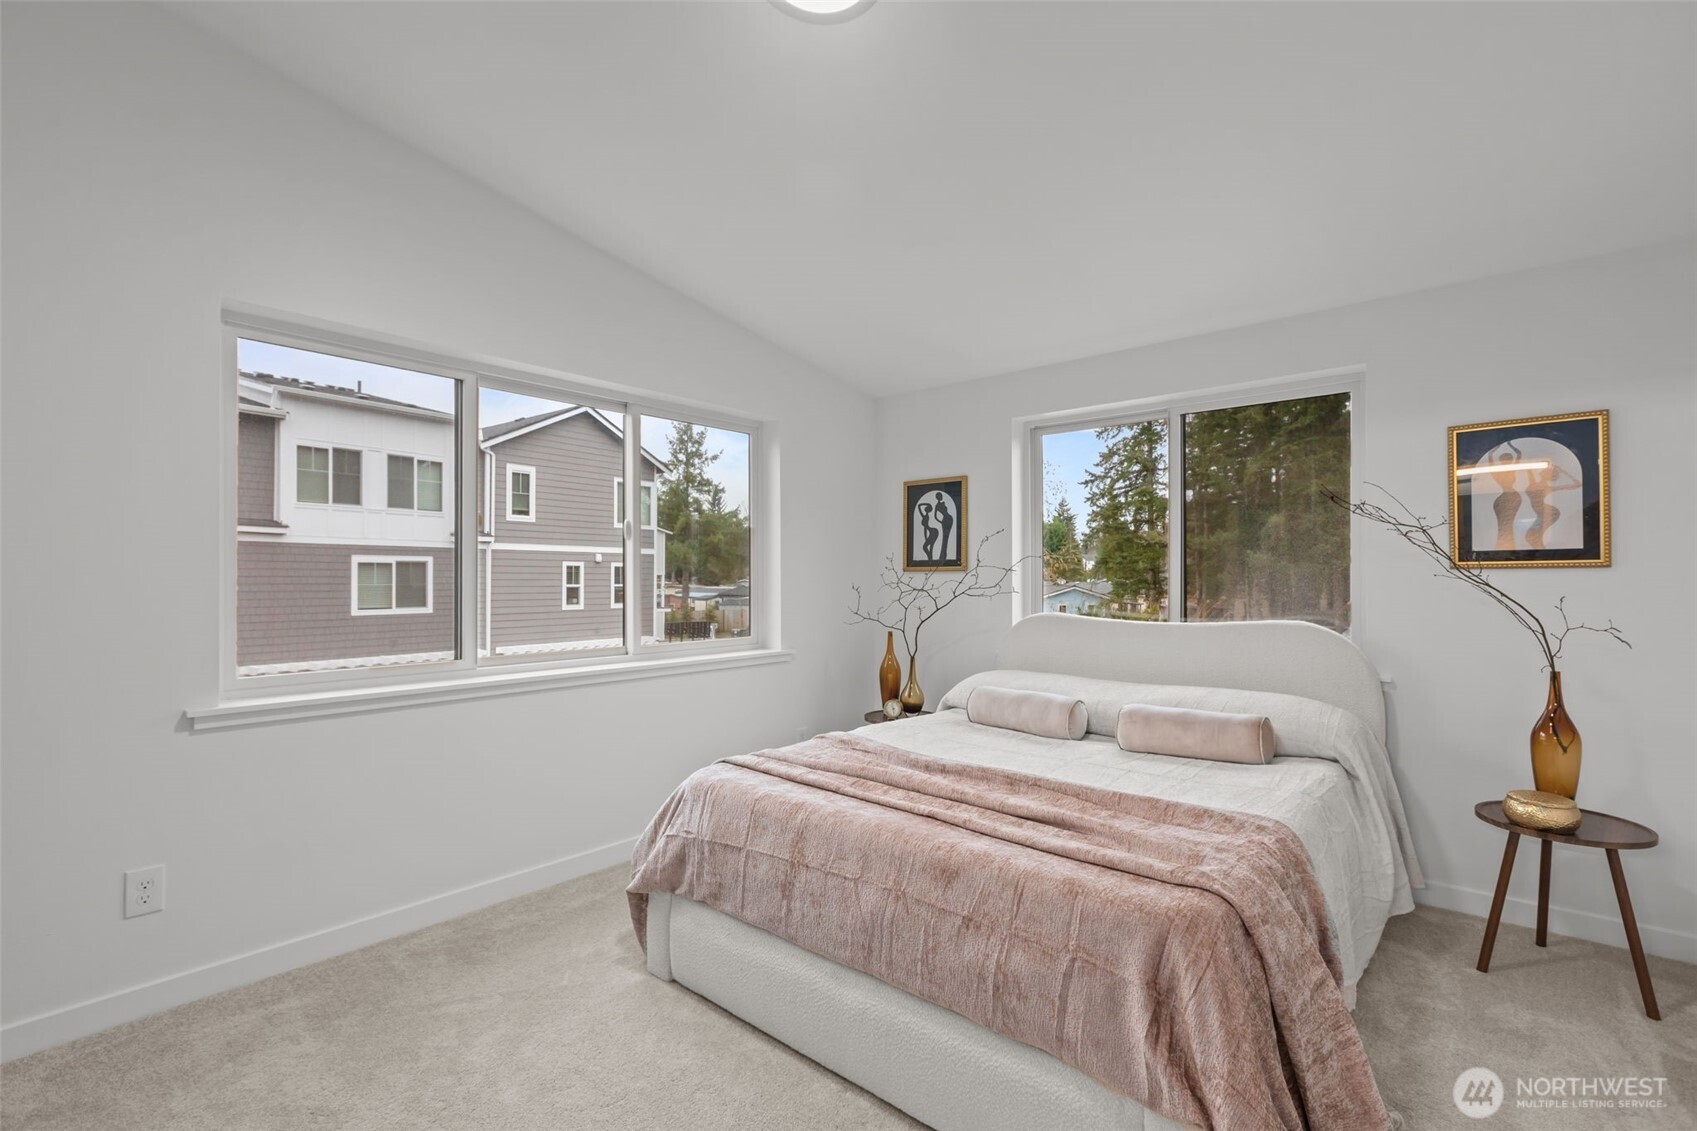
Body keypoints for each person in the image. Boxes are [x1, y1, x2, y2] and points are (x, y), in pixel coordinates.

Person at [933, 491, 955, 564]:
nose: (941, 497)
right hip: (945, 520)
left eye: (941, 495)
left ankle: (944, 556)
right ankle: (942, 557)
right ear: (938, 497)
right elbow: (935, 516)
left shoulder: (943, 503)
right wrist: (941, 521)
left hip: (949, 519)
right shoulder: (937, 505)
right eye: (940, 496)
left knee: (946, 537)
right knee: (945, 538)